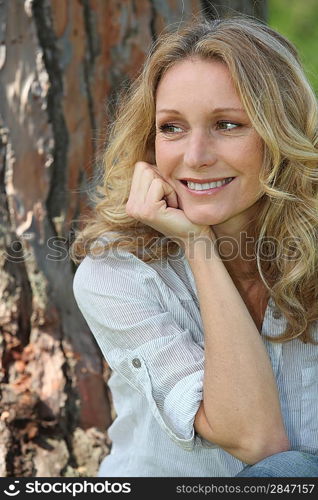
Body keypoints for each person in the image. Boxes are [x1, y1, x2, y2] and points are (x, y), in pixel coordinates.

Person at [71, 15, 318, 477]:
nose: (196, 156)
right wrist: (197, 246)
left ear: (280, 134)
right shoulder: (117, 273)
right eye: (172, 128)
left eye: (227, 124)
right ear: (149, 142)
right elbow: (258, 441)